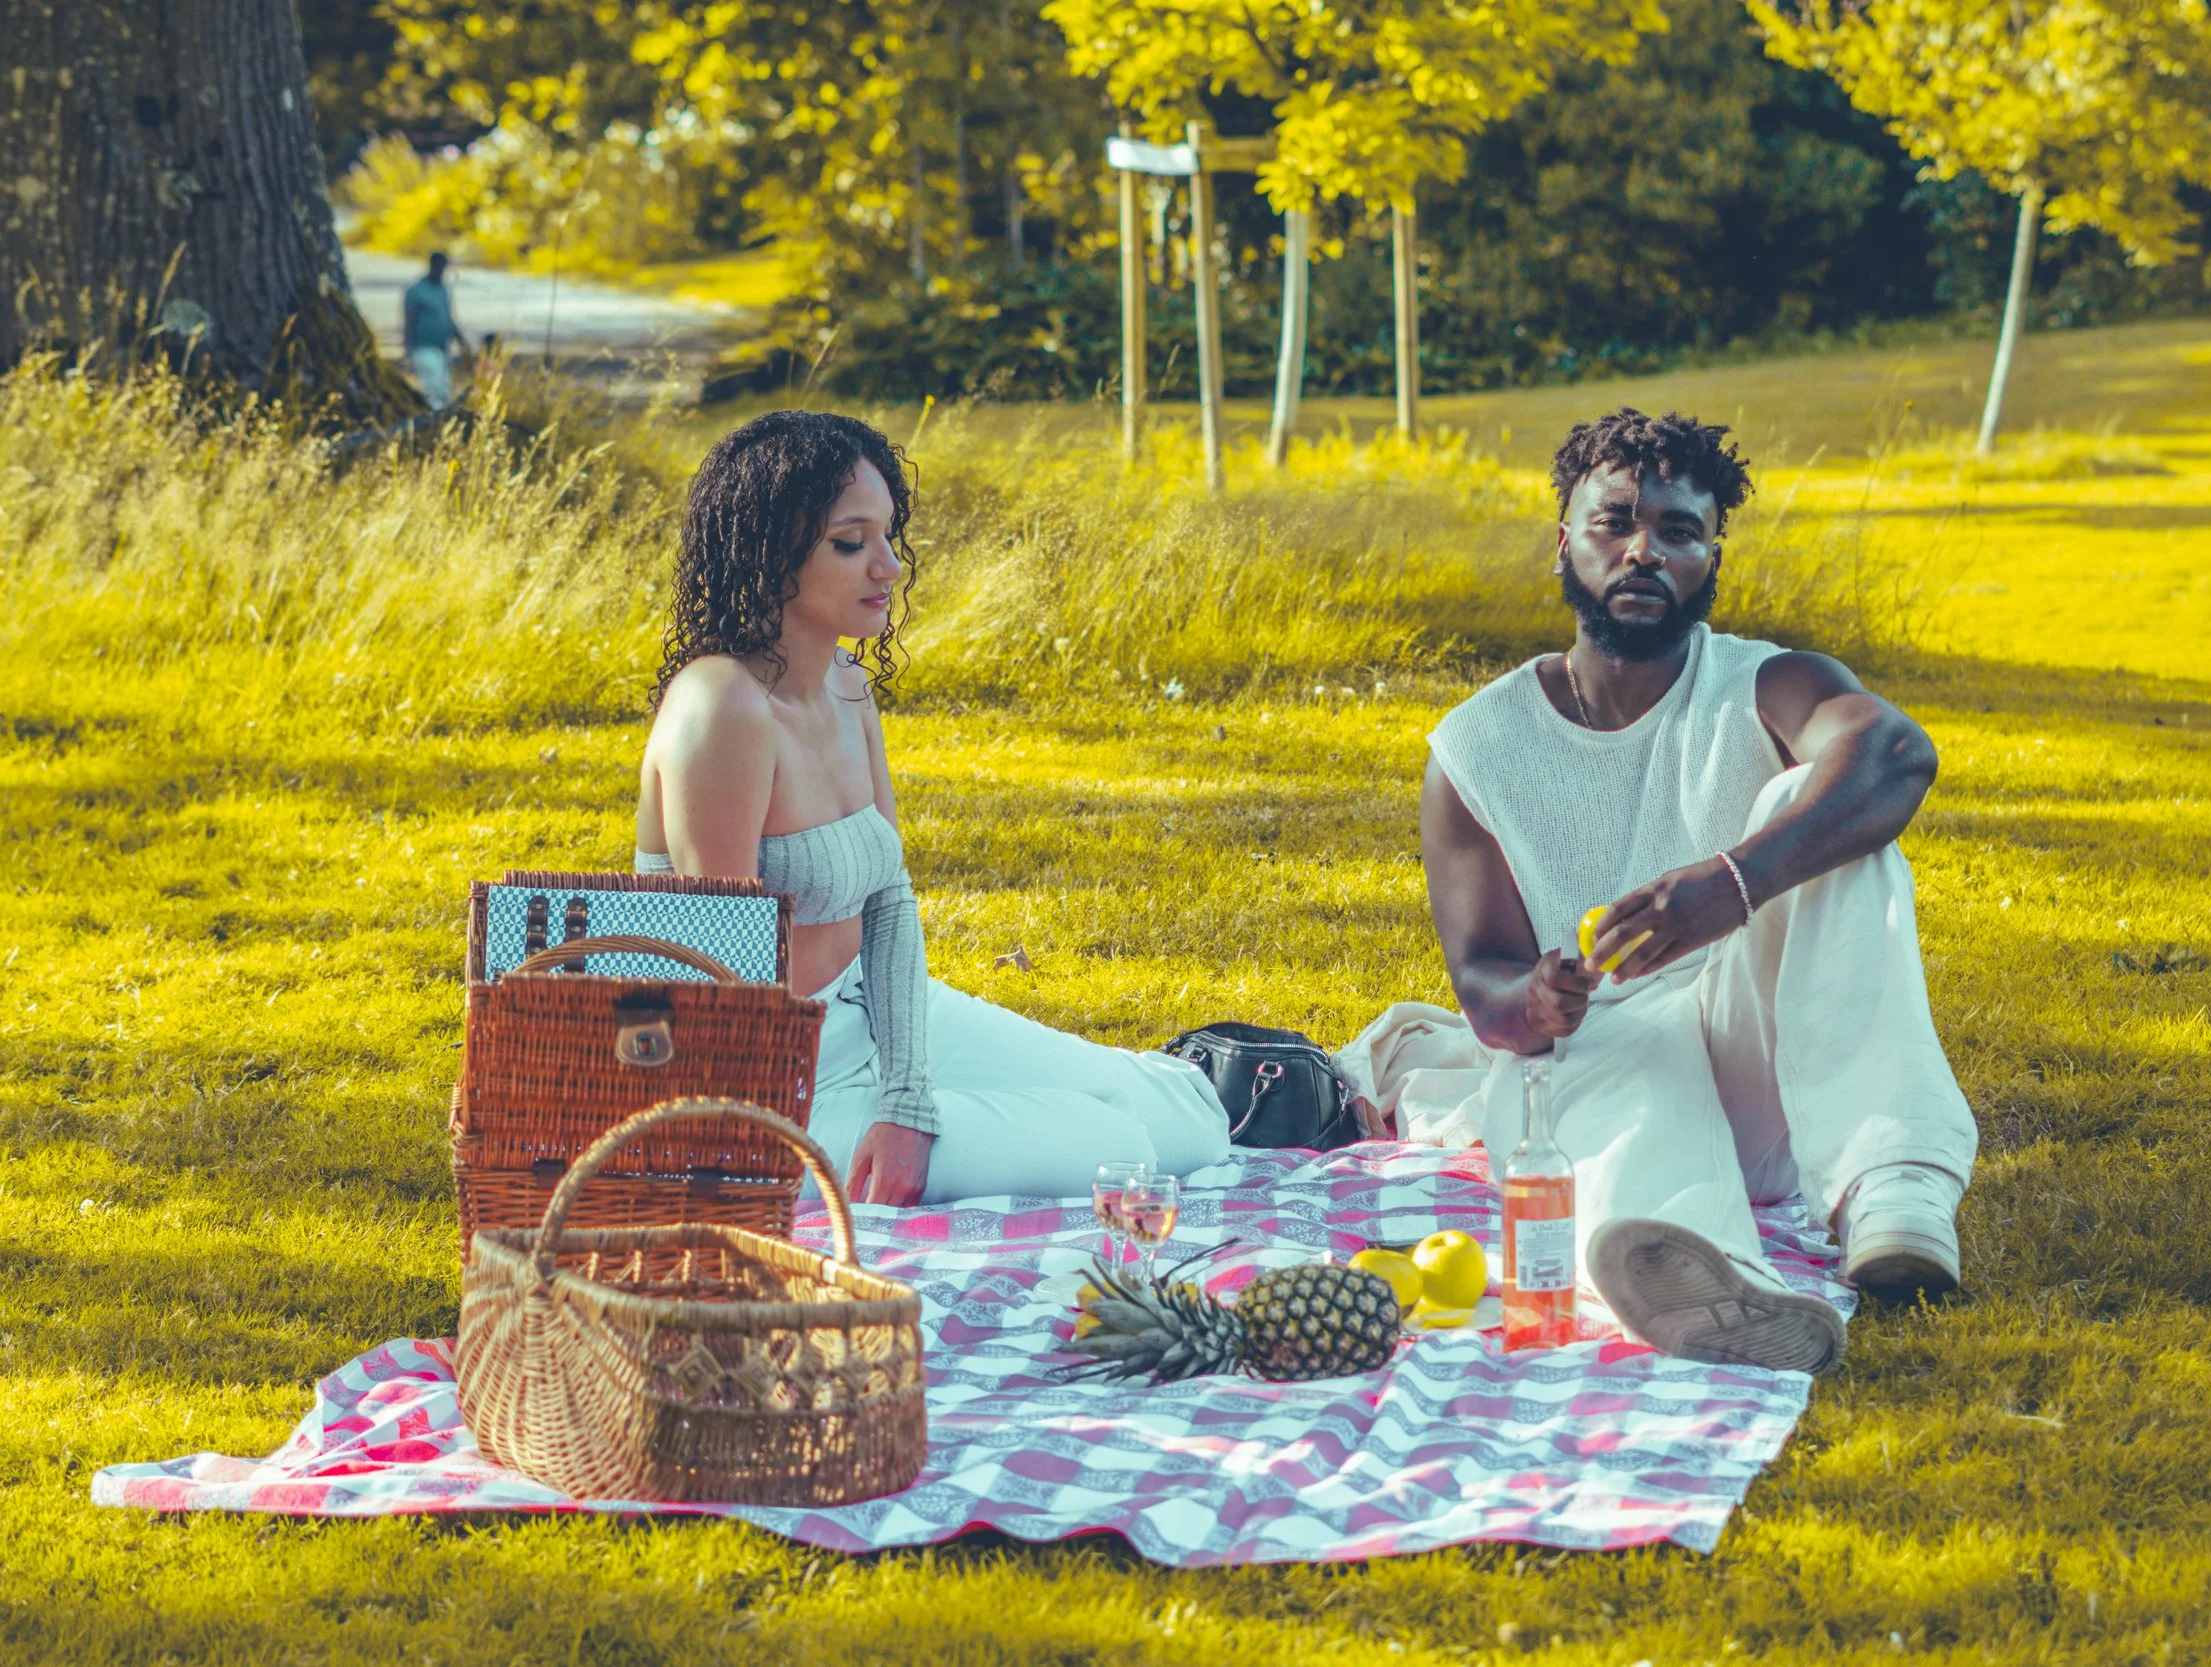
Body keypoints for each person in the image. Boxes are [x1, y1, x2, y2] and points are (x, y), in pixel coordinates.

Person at [1350, 408, 1976, 1375]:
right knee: (1615, 1055)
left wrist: (1732, 882)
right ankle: (1712, 1282)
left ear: (1711, 554)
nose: (1645, 550)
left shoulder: (1769, 685)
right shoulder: (1476, 748)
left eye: (1679, 530)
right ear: (1566, 543)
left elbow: (1896, 753)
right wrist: (1540, 1000)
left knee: (1831, 809)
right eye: (1616, 522)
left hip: (1766, 1075)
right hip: (1585, 1064)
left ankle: (1894, 1191)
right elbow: (1484, 986)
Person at [632, 411, 1230, 1207]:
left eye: (888, 536)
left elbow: (891, 902)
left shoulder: (847, 687)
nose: (888, 566)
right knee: (1123, 1146)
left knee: (1193, 1118)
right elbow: (725, 992)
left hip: (872, 1020)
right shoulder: (721, 709)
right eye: (852, 542)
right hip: (758, 1092)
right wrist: (883, 1113)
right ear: (773, 552)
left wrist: (907, 1095)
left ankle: (1031, 1108)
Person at [401, 253, 469, 410]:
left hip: (442, 347)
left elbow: (447, 316)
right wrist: (407, 349)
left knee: (445, 387)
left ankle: (444, 420)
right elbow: (409, 321)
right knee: (434, 387)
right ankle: (434, 419)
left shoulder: (443, 289)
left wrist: (461, 340)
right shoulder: (416, 291)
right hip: (423, 346)